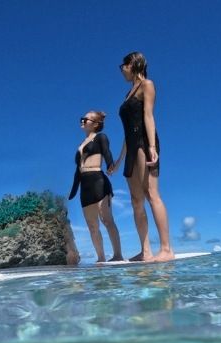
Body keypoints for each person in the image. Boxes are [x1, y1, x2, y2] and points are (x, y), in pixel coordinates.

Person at [109, 51, 174, 262]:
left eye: (123, 67)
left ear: (133, 64)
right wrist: (118, 161)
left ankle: (166, 249)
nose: (122, 71)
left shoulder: (147, 85)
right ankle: (145, 251)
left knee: (151, 193)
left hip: (145, 142)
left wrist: (152, 146)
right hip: (131, 143)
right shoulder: (127, 94)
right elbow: (127, 134)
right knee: (136, 200)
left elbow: (148, 115)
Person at [69, 110, 123, 262]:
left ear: (96, 124)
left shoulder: (100, 137)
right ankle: (100, 258)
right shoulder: (80, 144)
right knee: (92, 225)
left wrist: (110, 164)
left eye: (85, 119)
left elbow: (107, 152)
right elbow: (77, 169)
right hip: (84, 185)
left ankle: (117, 255)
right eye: (82, 118)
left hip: (98, 180)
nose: (82, 121)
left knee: (106, 219)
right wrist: (73, 190)